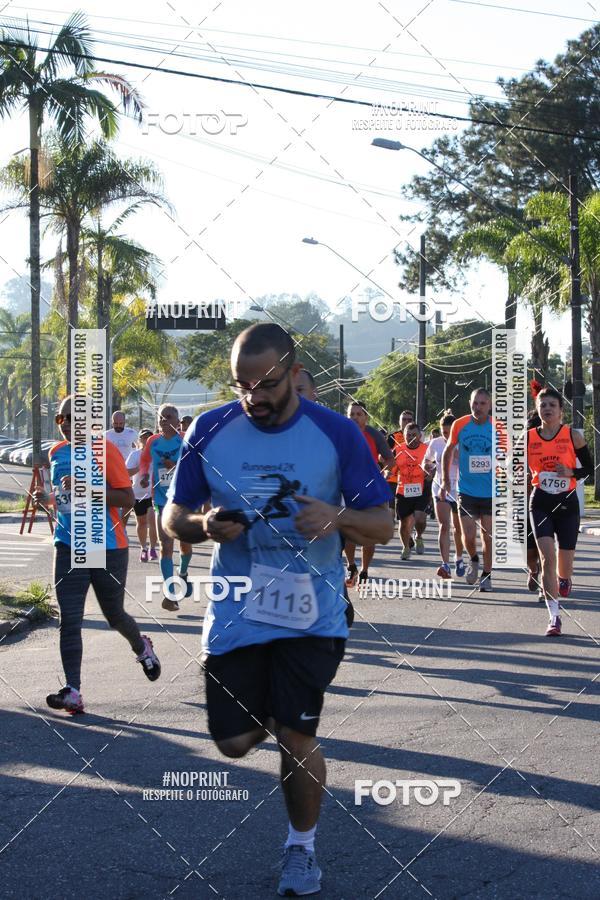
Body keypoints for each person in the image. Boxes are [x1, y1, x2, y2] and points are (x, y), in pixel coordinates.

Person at [163, 323, 392, 897]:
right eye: (242, 385)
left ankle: (301, 850)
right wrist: (203, 526)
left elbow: (384, 524)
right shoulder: (209, 427)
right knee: (234, 742)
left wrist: (336, 519)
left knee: (295, 734)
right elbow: (174, 514)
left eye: (265, 384)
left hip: (312, 610)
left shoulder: (336, 433)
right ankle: (275, 714)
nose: (253, 397)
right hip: (237, 607)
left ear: (293, 374)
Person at [33, 396, 160, 714]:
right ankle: (72, 691)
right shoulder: (57, 452)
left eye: (73, 419)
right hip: (68, 545)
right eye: (61, 419)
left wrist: (86, 489)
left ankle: (141, 646)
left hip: (107, 546)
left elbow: (127, 498)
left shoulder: (106, 453)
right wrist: (46, 499)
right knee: (70, 619)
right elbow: (64, 497)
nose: (66, 425)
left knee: (114, 614)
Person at [527, 387, 593, 636]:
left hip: (566, 504)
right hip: (541, 501)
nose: (547, 409)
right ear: (538, 409)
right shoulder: (529, 437)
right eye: (543, 405)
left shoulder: (572, 436)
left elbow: (589, 468)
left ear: (560, 411)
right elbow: (512, 466)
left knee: (563, 567)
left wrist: (571, 473)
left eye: (552, 405)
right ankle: (554, 617)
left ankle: (563, 580)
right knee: (547, 559)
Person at [139, 404, 193, 611]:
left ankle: (183, 573)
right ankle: (170, 593)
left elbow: (196, 464)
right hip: (161, 500)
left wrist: (177, 466)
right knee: (165, 545)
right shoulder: (153, 441)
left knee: (185, 546)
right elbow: (144, 462)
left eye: (168, 417)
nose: (163, 420)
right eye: (161, 417)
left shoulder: (186, 439)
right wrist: (144, 477)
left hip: (185, 499)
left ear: (177, 420)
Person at [442, 388, 497, 592]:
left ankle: (487, 575)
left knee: (488, 536)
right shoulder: (460, 424)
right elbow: (448, 451)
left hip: (492, 491)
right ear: (470, 403)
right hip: (466, 490)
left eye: (483, 403)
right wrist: (446, 479)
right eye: (475, 403)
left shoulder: (498, 427)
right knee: (467, 534)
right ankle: (473, 558)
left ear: (489, 405)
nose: (478, 407)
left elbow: (509, 457)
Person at [344, 402, 394, 586]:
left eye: (359, 414)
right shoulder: (341, 433)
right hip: (347, 488)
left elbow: (390, 459)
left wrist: (383, 472)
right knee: (348, 531)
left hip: (370, 489)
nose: (355, 418)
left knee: (368, 533)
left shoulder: (373, 435)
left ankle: (364, 570)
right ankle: (351, 565)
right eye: (352, 414)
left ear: (365, 416)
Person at [424, 410, 465, 579]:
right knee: (444, 525)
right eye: (443, 432)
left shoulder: (463, 442)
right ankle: (445, 564)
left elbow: (470, 466)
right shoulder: (435, 443)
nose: (445, 435)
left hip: (460, 489)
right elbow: (426, 461)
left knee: (458, 528)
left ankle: (459, 557)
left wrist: (457, 455)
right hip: (440, 487)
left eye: (448, 432)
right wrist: (427, 467)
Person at [394, 422, 431, 560]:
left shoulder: (427, 449)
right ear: (404, 436)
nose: (411, 438)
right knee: (404, 522)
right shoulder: (398, 450)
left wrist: (431, 473)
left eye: (414, 435)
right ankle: (406, 547)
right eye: (408, 435)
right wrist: (387, 473)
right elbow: (391, 468)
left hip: (422, 488)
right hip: (403, 489)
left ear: (420, 436)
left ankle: (419, 536)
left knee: (420, 517)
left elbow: (435, 465)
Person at [126, 429, 158, 562]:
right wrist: (140, 467)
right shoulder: (135, 455)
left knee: (152, 521)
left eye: (149, 437)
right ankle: (143, 548)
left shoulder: (157, 454)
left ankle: (152, 548)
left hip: (153, 494)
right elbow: (126, 473)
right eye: (143, 438)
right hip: (138, 494)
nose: (146, 440)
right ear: (139, 440)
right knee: (142, 522)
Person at [105, 410, 138, 528]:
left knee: (128, 501)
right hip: (111, 472)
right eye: (116, 423)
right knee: (112, 500)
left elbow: (139, 449)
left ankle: (122, 526)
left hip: (127, 471)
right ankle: (111, 525)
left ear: (124, 422)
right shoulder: (106, 435)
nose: (118, 426)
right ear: (112, 423)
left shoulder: (132, 433)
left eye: (121, 423)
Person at [386, 410, 414, 516]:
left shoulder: (418, 437)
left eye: (409, 420)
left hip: (410, 478)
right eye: (404, 419)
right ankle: (390, 529)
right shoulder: (393, 437)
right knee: (391, 509)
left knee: (406, 513)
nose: (406, 421)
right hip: (393, 478)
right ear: (399, 421)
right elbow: (382, 455)